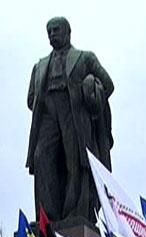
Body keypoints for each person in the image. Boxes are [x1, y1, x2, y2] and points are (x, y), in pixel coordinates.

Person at [26, 16, 114, 223]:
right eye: (49, 31)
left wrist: (90, 91)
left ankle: (75, 213)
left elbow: (108, 85)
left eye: (56, 30)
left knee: (73, 162)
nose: (52, 34)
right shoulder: (39, 67)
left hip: (74, 114)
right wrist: (42, 102)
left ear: (68, 32)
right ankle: (47, 217)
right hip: (48, 114)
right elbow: (31, 99)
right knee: (41, 158)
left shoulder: (85, 58)